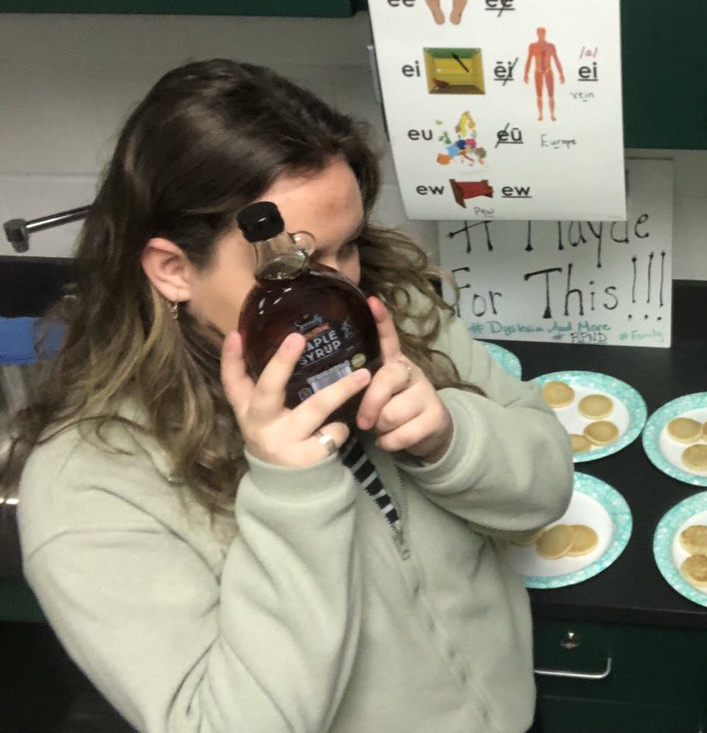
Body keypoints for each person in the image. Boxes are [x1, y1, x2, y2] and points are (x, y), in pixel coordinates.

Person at [1, 59, 574, 732]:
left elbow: (545, 491)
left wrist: (450, 439)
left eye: (349, 246)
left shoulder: (397, 312)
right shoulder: (90, 488)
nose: (341, 293)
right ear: (174, 269)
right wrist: (291, 492)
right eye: (294, 266)